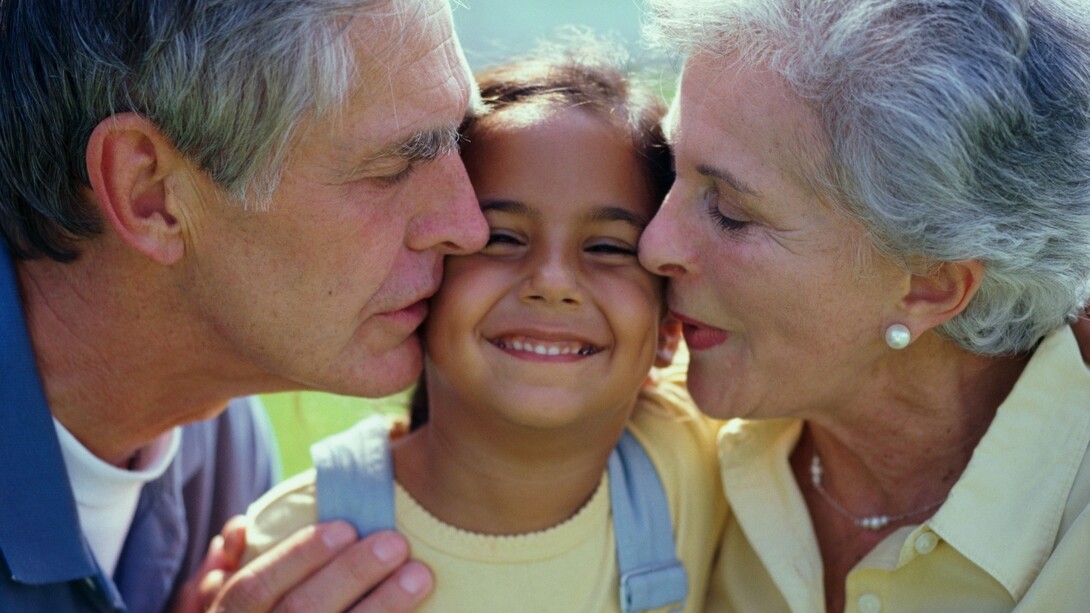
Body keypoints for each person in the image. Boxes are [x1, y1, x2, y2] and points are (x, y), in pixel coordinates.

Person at [0, 0, 488, 610]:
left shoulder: (214, 432)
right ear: (150, 193)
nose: (469, 227)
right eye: (393, 166)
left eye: (461, 143)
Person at [241, 40, 726, 612]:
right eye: (501, 238)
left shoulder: (701, 454)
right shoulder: (301, 544)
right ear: (422, 286)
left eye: (608, 247)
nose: (553, 281)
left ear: (669, 329)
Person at [637, 0, 1090, 610]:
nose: (654, 245)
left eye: (731, 212)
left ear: (930, 285)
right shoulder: (659, 441)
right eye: (670, 169)